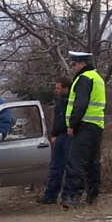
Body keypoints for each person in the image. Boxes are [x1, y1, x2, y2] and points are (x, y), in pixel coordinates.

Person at [61, 51, 106, 209]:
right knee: (93, 163)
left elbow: (80, 104)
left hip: (84, 126)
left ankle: (74, 198)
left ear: (82, 63)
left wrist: (72, 124)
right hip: (97, 127)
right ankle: (93, 197)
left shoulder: (83, 78)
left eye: (74, 64)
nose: (72, 67)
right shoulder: (98, 78)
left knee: (76, 163)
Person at [36, 76, 73, 204]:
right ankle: (50, 194)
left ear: (66, 88)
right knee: (55, 166)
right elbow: (58, 119)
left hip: (70, 135)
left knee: (70, 167)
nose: (55, 90)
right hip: (60, 135)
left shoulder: (73, 101)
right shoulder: (60, 101)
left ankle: (67, 196)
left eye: (58, 88)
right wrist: (54, 134)